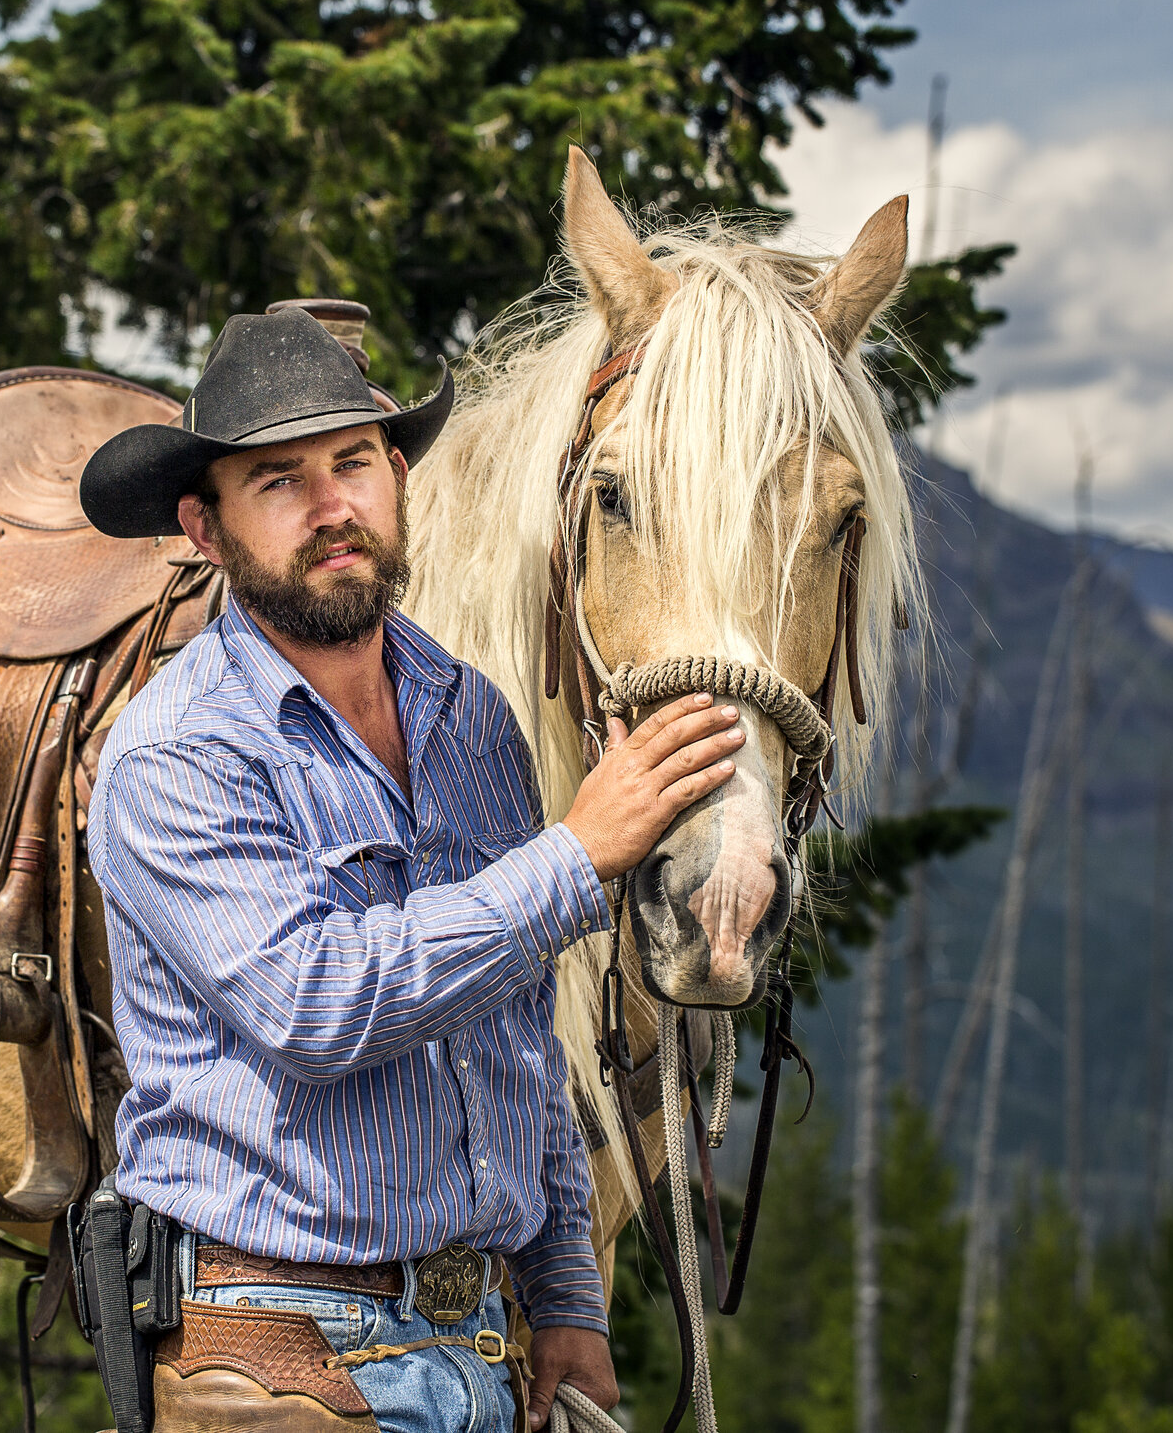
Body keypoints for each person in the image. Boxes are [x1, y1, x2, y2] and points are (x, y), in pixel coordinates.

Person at [77, 307, 746, 1433]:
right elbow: (314, 1001)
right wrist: (573, 856)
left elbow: (515, 1039)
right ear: (205, 526)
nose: (332, 505)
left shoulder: (472, 718)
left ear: (397, 476)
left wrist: (566, 1297)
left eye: (353, 463)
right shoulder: (176, 749)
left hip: (478, 1342)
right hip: (275, 1359)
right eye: (278, 481)